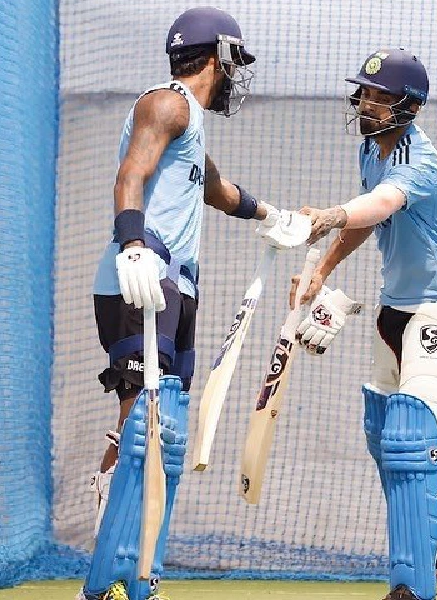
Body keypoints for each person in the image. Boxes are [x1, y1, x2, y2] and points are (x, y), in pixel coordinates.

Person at [80, 7, 307, 600]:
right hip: (140, 277)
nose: (237, 75)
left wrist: (273, 218)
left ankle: (138, 569)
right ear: (219, 58)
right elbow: (130, 176)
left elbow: (215, 190)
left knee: (167, 429)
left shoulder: (192, 123)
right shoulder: (167, 104)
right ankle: (109, 571)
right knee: (143, 425)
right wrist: (132, 245)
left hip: (177, 286)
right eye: (235, 61)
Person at [292, 48, 437, 600]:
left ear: (409, 105)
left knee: (409, 439)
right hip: (391, 309)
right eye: (364, 92)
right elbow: (367, 219)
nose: (365, 102)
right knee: (381, 433)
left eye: (377, 95)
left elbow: (379, 204)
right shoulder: (371, 151)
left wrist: (329, 215)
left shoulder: (422, 162)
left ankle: (410, 585)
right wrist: (320, 271)